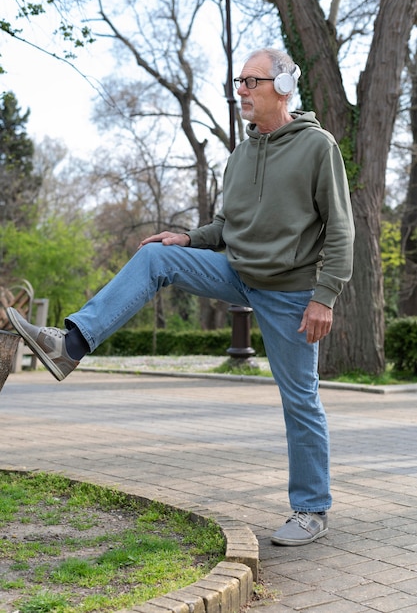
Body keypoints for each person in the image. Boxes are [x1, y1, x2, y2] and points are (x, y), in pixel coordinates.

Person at [7, 48, 354, 546]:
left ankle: (311, 510)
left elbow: (341, 230)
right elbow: (226, 227)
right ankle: (71, 345)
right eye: (238, 82)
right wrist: (189, 238)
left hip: (291, 291)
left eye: (251, 82)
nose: (241, 91)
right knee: (156, 257)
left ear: (282, 87)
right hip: (237, 270)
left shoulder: (317, 147)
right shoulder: (240, 154)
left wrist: (325, 297)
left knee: (300, 398)